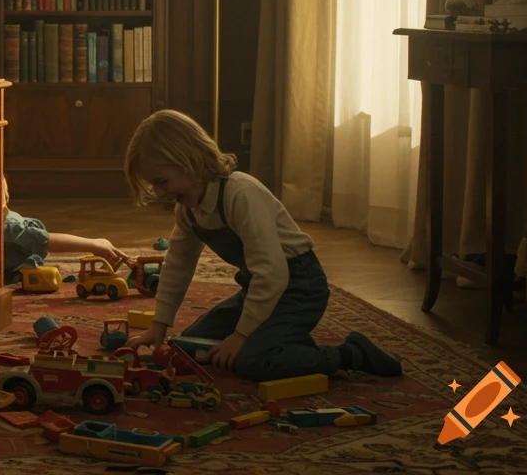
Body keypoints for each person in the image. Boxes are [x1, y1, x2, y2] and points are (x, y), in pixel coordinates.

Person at [121, 110, 402, 382]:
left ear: (189, 160)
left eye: (162, 182)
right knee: (190, 346)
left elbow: (272, 272)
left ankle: (349, 354)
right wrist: (159, 325)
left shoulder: (240, 194)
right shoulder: (187, 210)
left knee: (249, 361)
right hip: (259, 290)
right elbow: (178, 266)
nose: (159, 193)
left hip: (299, 289)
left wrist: (241, 336)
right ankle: (284, 340)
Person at [3, 176, 122, 284]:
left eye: (6, 193)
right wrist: (94, 244)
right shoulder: (9, 229)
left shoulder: (11, 224)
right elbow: (47, 241)